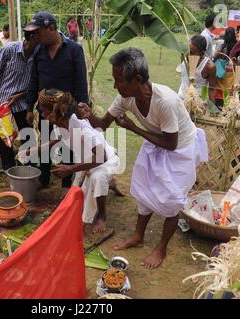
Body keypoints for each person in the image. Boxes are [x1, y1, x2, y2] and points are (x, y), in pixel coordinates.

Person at [78, 48, 208, 268]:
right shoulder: (125, 98)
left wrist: (133, 128)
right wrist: (89, 115)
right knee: (144, 191)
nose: (115, 86)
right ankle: (138, 236)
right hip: (157, 143)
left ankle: (161, 248)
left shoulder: (164, 101)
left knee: (172, 200)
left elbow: (171, 143)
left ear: (137, 79)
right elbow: (102, 124)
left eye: (118, 80)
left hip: (180, 150)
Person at [19, 89, 121, 233]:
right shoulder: (60, 123)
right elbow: (55, 140)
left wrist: (71, 169)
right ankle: (111, 183)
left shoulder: (82, 127)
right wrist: (29, 151)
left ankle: (101, 216)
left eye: (44, 110)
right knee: (75, 196)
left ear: (56, 112)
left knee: (97, 178)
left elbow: (101, 156)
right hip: (87, 160)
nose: (41, 113)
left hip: (105, 159)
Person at [25, 11, 89, 192]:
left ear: (51, 28)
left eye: (38, 32)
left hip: (66, 111)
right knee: (46, 140)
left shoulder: (74, 50)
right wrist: (30, 107)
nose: (35, 36)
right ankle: (44, 178)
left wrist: (82, 106)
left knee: (68, 144)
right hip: (45, 109)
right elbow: (33, 80)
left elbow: (81, 80)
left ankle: (67, 184)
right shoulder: (38, 51)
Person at [0, 30, 40, 170]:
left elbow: (36, 81)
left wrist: (21, 95)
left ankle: (30, 166)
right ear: (29, 39)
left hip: (22, 101)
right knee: (4, 137)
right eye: (37, 41)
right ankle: (9, 168)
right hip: (3, 101)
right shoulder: (9, 49)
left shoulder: (38, 54)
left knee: (28, 134)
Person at [178, 35, 217, 105]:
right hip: (180, 100)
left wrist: (212, 109)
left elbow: (212, 89)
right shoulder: (184, 57)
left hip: (198, 105)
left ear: (202, 53)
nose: (188, 54)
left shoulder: (209, 66)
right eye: (188, 50)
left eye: (192, 52)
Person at [214, 27, 237, 108]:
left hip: (221, 73)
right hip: (232, 74)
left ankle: (218, 107)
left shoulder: (222, 46)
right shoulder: (237, 46)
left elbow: (215, 58)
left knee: (220, 93)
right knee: (230, 94)